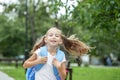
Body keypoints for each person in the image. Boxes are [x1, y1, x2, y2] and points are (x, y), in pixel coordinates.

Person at [23, 27, 90, 80]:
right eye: (51, 35)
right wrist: (37, 61)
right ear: (46, 39)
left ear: (60, 41)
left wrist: (59, 67)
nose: (53, 37)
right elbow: (25, 65)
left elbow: (63, 77)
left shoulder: (61, 55)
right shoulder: (40, 51)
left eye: (57, 36)